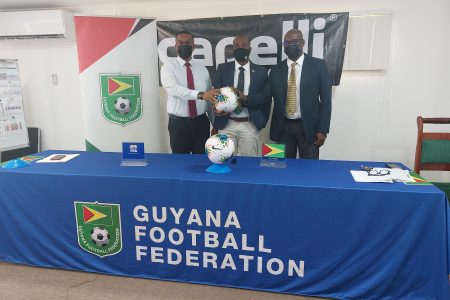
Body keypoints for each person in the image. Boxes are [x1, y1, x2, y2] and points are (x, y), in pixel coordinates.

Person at [269, 29, 332, 159]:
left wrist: (323, 129)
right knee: (280, 168)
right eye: (286, 43)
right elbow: (266, 97)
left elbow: (326, 100)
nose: (290, 45)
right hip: (282, 128)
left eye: (294, 41)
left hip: (309, 128)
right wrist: (246, 98)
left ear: (302, 43)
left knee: (309, 171)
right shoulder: (276, 69)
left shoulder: (318, 65)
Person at [160, 31, 218, 154]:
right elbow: (173, 89)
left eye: (188, 43)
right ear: (175, 46)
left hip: (201, 123)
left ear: (194, 46)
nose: (184, 45)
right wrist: (200, 95)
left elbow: (209, 99)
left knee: (202, 161)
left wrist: (215, 124)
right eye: (181, 43)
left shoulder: (202, 69)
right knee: (180, 163)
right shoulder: (168, 67)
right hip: (178, 124)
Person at [213, 34, 270, 157]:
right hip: (226, 123)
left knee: (248, 165)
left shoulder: (261, 71)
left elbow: (265, 97)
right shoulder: (222, 69)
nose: (240, 48)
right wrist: (219, 107)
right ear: (233, 49)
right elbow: (215, 94)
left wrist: (245, 98)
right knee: (225, 160)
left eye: (244, 45)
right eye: (236, 46)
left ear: (250, 49)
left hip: (249, 124)